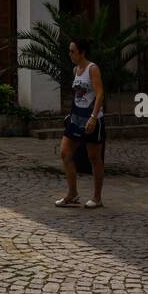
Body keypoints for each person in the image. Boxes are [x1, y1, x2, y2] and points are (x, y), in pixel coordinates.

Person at [56, 38, 105, 209]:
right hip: (76, 118)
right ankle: (72, 193)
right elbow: (77, 95)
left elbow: (99, 94)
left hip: (91, 118)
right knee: (65, 153)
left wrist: (93, 117)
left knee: (94, 158)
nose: (70, 54)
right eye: (69, 51)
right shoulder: (75, 70)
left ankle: (97, 198)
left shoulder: (92, 69)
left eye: (72, 51)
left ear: (82, 52)